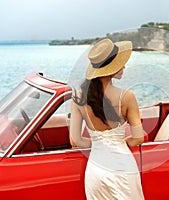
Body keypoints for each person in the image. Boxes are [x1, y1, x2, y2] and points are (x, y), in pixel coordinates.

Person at [69, 38, 145, 199]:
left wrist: (99, 144)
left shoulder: (77, 97)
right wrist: (120, 143)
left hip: (96, 170)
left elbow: (75, 141)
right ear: (110, 69)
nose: (124, 66)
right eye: (120, 64)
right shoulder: (127, 97)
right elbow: (139, 138)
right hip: (123, 169)